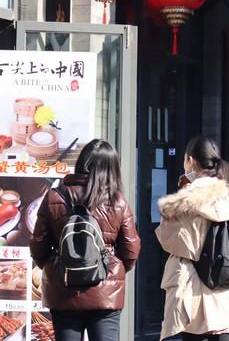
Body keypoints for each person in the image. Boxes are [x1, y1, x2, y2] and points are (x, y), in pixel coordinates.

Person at [30, 139, 141, 341]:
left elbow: (38, 245)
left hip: (64, 291)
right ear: (111, 168)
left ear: (81, 163)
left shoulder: (55, 196)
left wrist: (56, 266)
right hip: (105, 292)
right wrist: (110, 269)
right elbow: (131, 250)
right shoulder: (117, 201)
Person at [156, 136, 229, 341]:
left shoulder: (190, 198)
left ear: (190, 161)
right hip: (224, 283)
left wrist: (181, 195)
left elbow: (171, 239)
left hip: (195, 286)